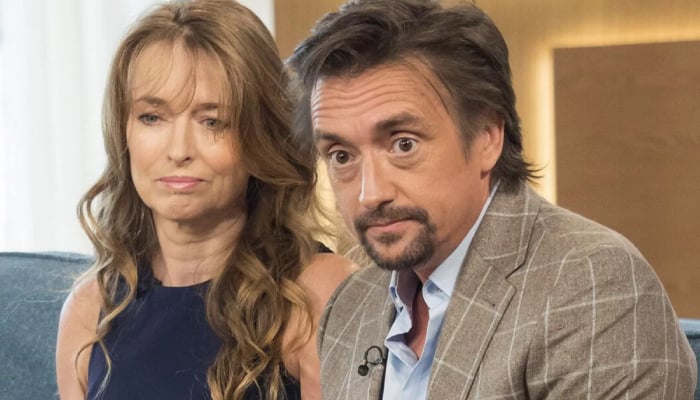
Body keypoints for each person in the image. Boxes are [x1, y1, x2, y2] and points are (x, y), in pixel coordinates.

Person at [288, 0, 697, 399]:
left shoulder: (591, 284)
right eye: (341, 156)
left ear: (487, 137)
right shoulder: (349, 305)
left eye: (404, 144)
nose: (370, 193)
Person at [55, 1, 355, 399]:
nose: (179, 150)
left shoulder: (319, 292)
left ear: (260, 137)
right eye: (152, 117)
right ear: (123, 132)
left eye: (212, 121)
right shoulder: (90, 308)